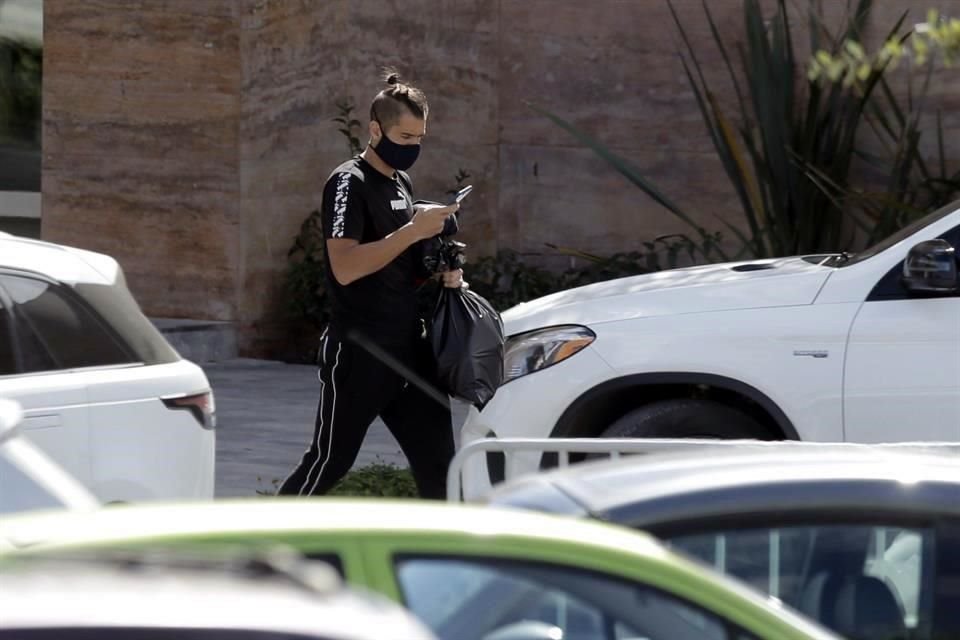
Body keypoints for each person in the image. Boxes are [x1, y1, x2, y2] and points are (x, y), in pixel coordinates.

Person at [277, 70, 462, 499]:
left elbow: (397, 263)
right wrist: (412, 231)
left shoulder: (401, 182)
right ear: (376, 130)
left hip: (410, 351)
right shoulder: (348, 182)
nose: (412, 147)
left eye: (419, 138)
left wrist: (440, 270)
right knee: (329, 461)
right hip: (362, 352)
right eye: (404, 136)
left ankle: (449, 542)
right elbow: (345, 266)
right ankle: (264, 534)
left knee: (442, 468)